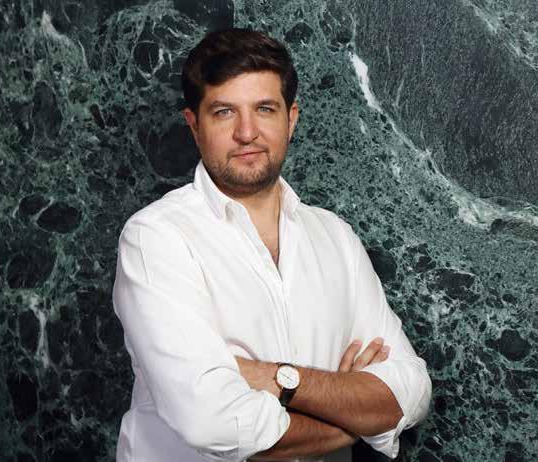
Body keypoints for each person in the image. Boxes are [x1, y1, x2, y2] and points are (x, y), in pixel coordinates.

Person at [112, 28, 431, 462]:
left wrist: (276, 379)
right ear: (194, 125)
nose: (247, 133)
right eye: (224, 112)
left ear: (291, 119)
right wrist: (353, 415)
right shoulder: (155, 239)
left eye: (264, 109)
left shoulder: (335, 237)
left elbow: (411, 390)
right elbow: (212, 423)